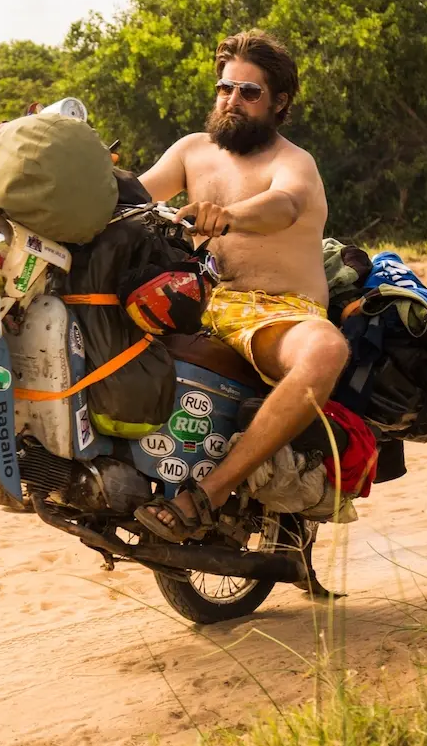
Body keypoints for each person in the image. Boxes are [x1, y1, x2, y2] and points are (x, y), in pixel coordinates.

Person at [132, 29, 351, 543]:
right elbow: (132, 198)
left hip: (277, 311)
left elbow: (285, 206)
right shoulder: (192, 151)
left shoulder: (292, 162)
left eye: (249, 93)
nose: (233, 100)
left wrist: (227, 216)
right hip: (202, 299)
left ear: (279, 103)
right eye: (226, 88)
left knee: (325, 351)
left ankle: (208, 493)